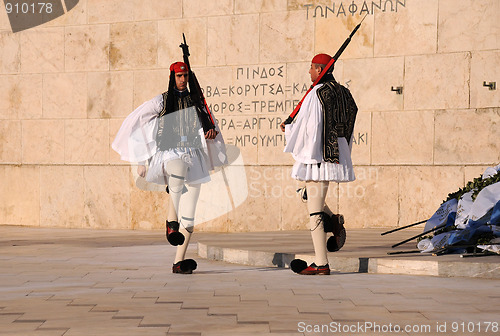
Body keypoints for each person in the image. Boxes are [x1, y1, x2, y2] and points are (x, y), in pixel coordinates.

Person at [112, 61, 226, 274]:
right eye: (178, 76)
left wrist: (211, 132)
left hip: (193, 154)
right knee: (178, 168)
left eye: (185, 76)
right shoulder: (161, 101)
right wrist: (140, 160)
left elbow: (210, 125)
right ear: (172, 77)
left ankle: (179, 261)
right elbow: (137, 123)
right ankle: (171, 221)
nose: (182, 80)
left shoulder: (196, 101)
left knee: (191, 212)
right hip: (170, 152)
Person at [280, 53, 358, 275]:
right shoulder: (344, 92)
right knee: (305, 193)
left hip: (319, 155)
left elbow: (310, 128)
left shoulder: (316, 93)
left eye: (312, 68)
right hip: (336, 153)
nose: (309, 72)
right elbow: (350, 122)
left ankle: (321, 263)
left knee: (314, 210)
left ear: (319, 69)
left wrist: (289, 129)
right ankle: (333, 221)